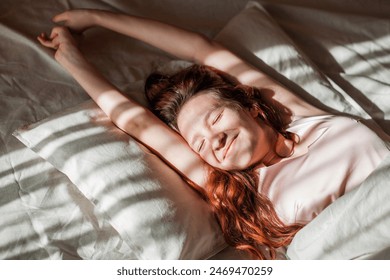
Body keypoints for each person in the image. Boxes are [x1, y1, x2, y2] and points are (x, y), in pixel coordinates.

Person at [37, 9, 389, 259]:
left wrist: (98, 17)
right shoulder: (240, 187)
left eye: (216, 118)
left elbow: (201, 49)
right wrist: (70, 60)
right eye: (200, 143)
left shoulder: (299, 115)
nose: (214, 140)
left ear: (252, 107)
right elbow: (137, 123)